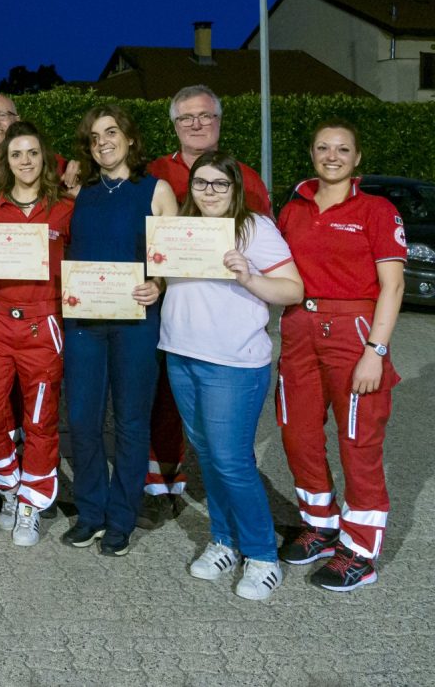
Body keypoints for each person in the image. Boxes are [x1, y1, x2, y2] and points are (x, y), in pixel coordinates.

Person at [160, 152, 303, 600]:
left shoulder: (255, 228)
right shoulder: (181, 227)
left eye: (220, 184)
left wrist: (248, 278)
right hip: (181, 354)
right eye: (201, 183)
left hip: (234, 363)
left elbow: (293, 288)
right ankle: (223, 540)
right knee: (206, 455)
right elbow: (169, 279)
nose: (209, 192)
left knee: (231, 460)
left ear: (235, 188)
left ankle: (262, 555)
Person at [276, 121, 404, 592]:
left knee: (358, 443)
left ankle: (360, 551)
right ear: (311, 153)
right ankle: (321, 525)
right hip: (297, 328)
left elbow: (393, 285)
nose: (332, 155)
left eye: (343, 149)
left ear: (357, 157)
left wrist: (376, 350)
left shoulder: (375, 209)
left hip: (353, 331)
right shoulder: (292, 210)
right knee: (298, 434)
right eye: (324, 147)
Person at [140, 85, 274, 526]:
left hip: (224, 316)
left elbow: (263, 244)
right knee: (164, 399)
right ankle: (163, 483)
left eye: (205, 117)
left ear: (218, 122)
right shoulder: (154, 172)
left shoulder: (247, 178)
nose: (196, 125)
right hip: (169, 306)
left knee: (220, 420)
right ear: (174, 125)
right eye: (186, 118)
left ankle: (235, 482)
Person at [62, 104, 177, 557]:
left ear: (130, 138)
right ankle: (91, 512)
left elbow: (172, 258)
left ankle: (121, 518)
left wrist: (159, 284)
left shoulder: (156, 190)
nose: (103, 142)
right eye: (94, 136)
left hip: (136, 321)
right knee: (83, 421)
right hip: (85, 322)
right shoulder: (81, 194)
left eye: (111, 132)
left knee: (130, 422)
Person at [0, 121, 73, 546]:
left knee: (40, 420)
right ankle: (7, 486)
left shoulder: (65, 208)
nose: (25, 161)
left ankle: (32, 503)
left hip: (45, 323)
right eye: (17, 154)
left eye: (33, 153)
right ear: (6, 160)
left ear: (45, 158)